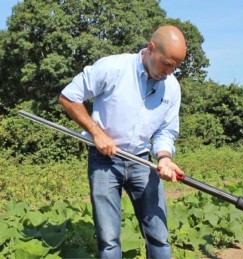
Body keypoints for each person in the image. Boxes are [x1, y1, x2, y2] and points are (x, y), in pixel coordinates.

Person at [59, 25, 187, 259]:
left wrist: (165, 157)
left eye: (175, 66)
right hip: (104, 161)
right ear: (151, 48)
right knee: (108, 241)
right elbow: (69, 96)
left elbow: (166, 131)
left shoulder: (172, 87)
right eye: (166, 63)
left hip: (142, 162)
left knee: (159, 236)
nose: (169, 71)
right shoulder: (112, 67)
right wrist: (97, 133)